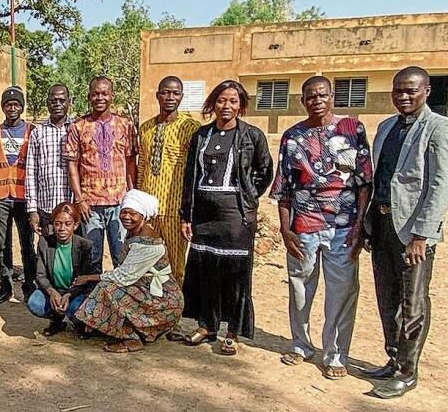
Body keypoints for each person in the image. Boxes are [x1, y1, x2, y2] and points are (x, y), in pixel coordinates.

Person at [363, 66, 448, 399]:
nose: (403, 97)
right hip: (382, 225)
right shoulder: (386, 126)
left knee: (413, 304)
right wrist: (368, 223)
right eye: (398, 91)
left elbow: (440, 186)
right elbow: (379, 179)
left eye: (410, 91)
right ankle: (392, 359)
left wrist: (423, 235)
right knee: (386, 299)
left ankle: (407, 371)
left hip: (413, 233)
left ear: (426, 91)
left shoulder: (440, 129)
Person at [270, 76, 372, 380]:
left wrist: (360, 226)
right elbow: (284, 186)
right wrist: (285, 229)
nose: (316, 100)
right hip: (303, 226)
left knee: (341, 292)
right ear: (303, 101)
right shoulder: (292, 136)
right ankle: (301, 345)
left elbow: (364, 182)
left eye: (322, 95)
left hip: (344, 227)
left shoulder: (353, 129)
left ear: (331, 96)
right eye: (310, 96)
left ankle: (335, 355)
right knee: (300, 288)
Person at [178, 80, 273, 355]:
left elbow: (264, 170)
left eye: (233, 101)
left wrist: (248, 196)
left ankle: (232, 331)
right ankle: (206, 325)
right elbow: (190, 177)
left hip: (235, 214)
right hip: (204, 214)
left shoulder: (251, 135)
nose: (226, 106)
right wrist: (187, 215)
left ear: (241, 105)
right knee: (205, 268)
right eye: (221, 100)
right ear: (213, 103)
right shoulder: (201, 135)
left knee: (234, 274)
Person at [74, 189, 183, 353]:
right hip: (149, 291)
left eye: (132, 214)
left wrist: (89, 277)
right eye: (124, 212)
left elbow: (122, 277)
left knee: (107, 289)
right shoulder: (134, 232)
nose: (126, 217)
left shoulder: (147, 243)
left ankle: (131, 338)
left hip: (164, 301)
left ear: (143, 216)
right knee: (108, 288)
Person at [65, 77, 137, 273]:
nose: (100, 98)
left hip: (119, 203)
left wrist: (131, 198)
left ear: (111, 96)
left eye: (104, 93)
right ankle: (93, 301)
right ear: (89, 96)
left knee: (121, 256)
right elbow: (72, 165)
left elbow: (130, 162)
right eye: (95, 94)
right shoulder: (77, 127)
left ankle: (120, 301)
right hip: (90, 205)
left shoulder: (125, 125)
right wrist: (79, 198)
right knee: (92, 258)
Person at [137, 76, 200, 284]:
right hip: (149, 210)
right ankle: (152, 305)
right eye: (165, 92)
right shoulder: (146, 128)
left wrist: (188, 210)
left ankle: (175, 309)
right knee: (148, 261)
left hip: (175, 210)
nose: (170, 97)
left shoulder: (190, 128)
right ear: (157, 96)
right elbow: (143, 166)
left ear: (181, 96)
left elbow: (195, 170)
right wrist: (139, 204)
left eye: (175, 93)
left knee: (176, 264)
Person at [0, 86, 36, 305]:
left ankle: (29, 286)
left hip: (24, 198)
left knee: (27, 244)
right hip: (0, 197)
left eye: (16, 105)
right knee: (3, 245)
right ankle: (6, 286)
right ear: (3, 107)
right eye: (8, 105)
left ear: (22, 107)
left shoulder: (33, 131)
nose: (12, 108)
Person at [27, 202, 96, 336]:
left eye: (67, 224)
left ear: (75, 225)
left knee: (75, 308)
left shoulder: (84, 246)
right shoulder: (44, 243)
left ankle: (80, 322)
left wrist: (69, 295)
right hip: (55, 289)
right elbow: (40, 275)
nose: (62, 228)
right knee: (34, 303)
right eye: (58, 224)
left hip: (75, 292)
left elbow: (87, 280)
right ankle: (56, 321)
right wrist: (51, 291)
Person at [26, 84, 74, 239]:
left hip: (73, 209)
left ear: (68, 102)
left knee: (73, 258)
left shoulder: (76, 129)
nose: (58, 104)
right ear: (47, 103)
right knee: (47, 255)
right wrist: (33, 210)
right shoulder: (37, 133)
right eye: (53, 101)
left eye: (62, 100)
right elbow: (31, 173)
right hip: (46, 208)